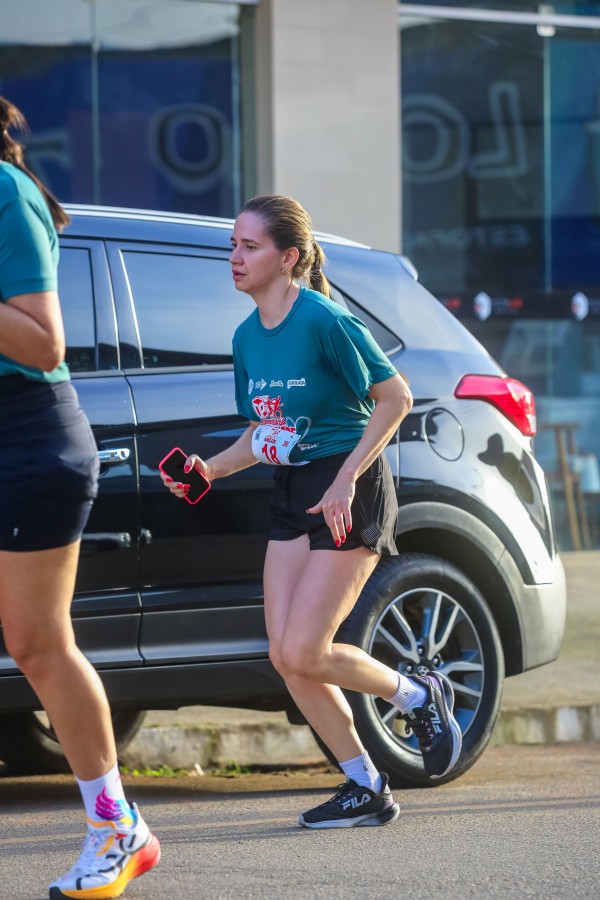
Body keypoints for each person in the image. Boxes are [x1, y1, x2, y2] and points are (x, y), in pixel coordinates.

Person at [162, 193, 462, 828]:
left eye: (250, 246)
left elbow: (395, 397)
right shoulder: (247, 337)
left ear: (289, 257)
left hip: (347, 483)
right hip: (294, 489)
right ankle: (366, 787)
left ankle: (417, 692)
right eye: (233, 245)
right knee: (285, 655)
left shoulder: (326, 321)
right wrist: (207, 471)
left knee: (306, 646)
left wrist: (347, 478)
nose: (235, 257)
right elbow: (261, 432)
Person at [0, 97, 160, 898]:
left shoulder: (6, 192)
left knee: (37, 643)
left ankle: (116, 826)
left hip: (30, 437)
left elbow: (42, 341)